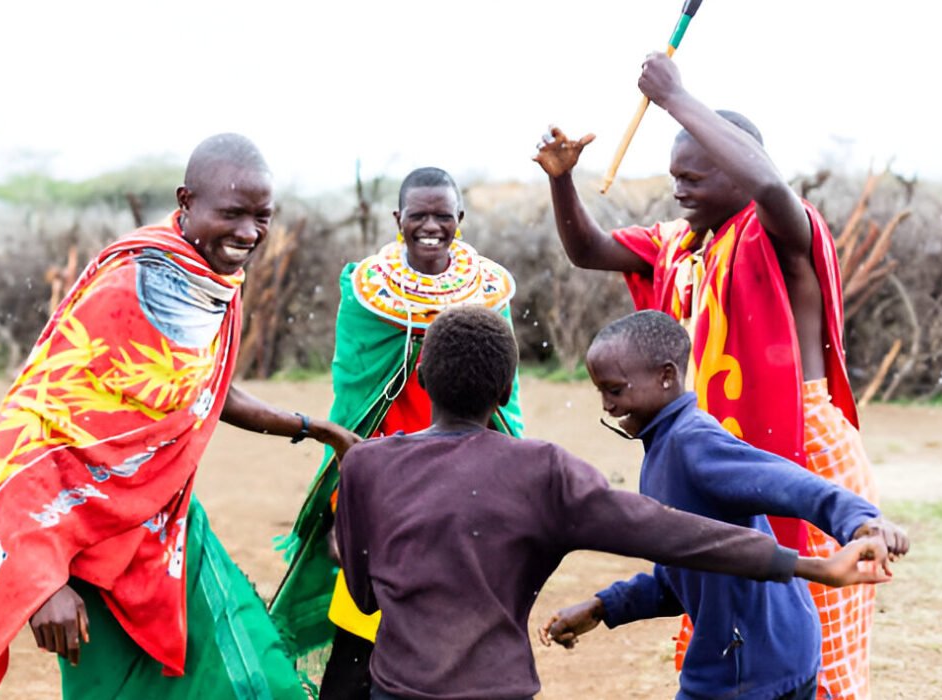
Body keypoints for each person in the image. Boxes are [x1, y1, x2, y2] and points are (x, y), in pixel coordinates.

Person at [0, 133, 358, 700]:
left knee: (255, 675)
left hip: (169, 527)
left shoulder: (209, 283)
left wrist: (313, 428)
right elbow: (32, 422)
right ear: (186, 201)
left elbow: (207, 387)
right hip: (85, 542)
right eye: (232, 214)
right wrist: (42, 582)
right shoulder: (129, 285)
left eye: (262, 217)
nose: (249, 233)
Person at [533, 53, 883, 698]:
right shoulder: (678, 243)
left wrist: (676, 98)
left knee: (818, 645)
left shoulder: (779, 231)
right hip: (712, 451)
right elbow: (587, 250)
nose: (679, 189)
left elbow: (772, 188)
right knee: (727, 607)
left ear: (739, 169)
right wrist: (562, 181)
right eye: (675, 177)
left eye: (695, 175)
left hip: (801, 444)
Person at [336, 305, 893, 700]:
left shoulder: (366, 465)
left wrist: (840, 538)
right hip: (499, 686)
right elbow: (665, 536)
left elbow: (363, 596)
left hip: (400, 686)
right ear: (506, 392)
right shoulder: (544, 470)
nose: (607, 404)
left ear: (423, 380)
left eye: (615, 391)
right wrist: (809, 565)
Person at [539, 310, 909, 700]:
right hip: (764, 653)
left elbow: (793, 484)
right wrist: (603, 607)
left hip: (749, 664)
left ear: (666, 376)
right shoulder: (662, 450)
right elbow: (683, 568)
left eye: (615, 390)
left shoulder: (693, 443)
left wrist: (862, 523)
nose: (607, 406)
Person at [269, 167, 523, 698]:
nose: (430, 226)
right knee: (357, 649)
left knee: (452, 637)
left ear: (460, 219)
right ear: (397, 219)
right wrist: (347, 505)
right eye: (418, 215)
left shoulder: (487, 293)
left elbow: (506, 398)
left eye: (442, 215)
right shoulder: (367, 295)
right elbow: (353, 399)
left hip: (464, 483)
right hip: (384, 484)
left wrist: (510, 486)